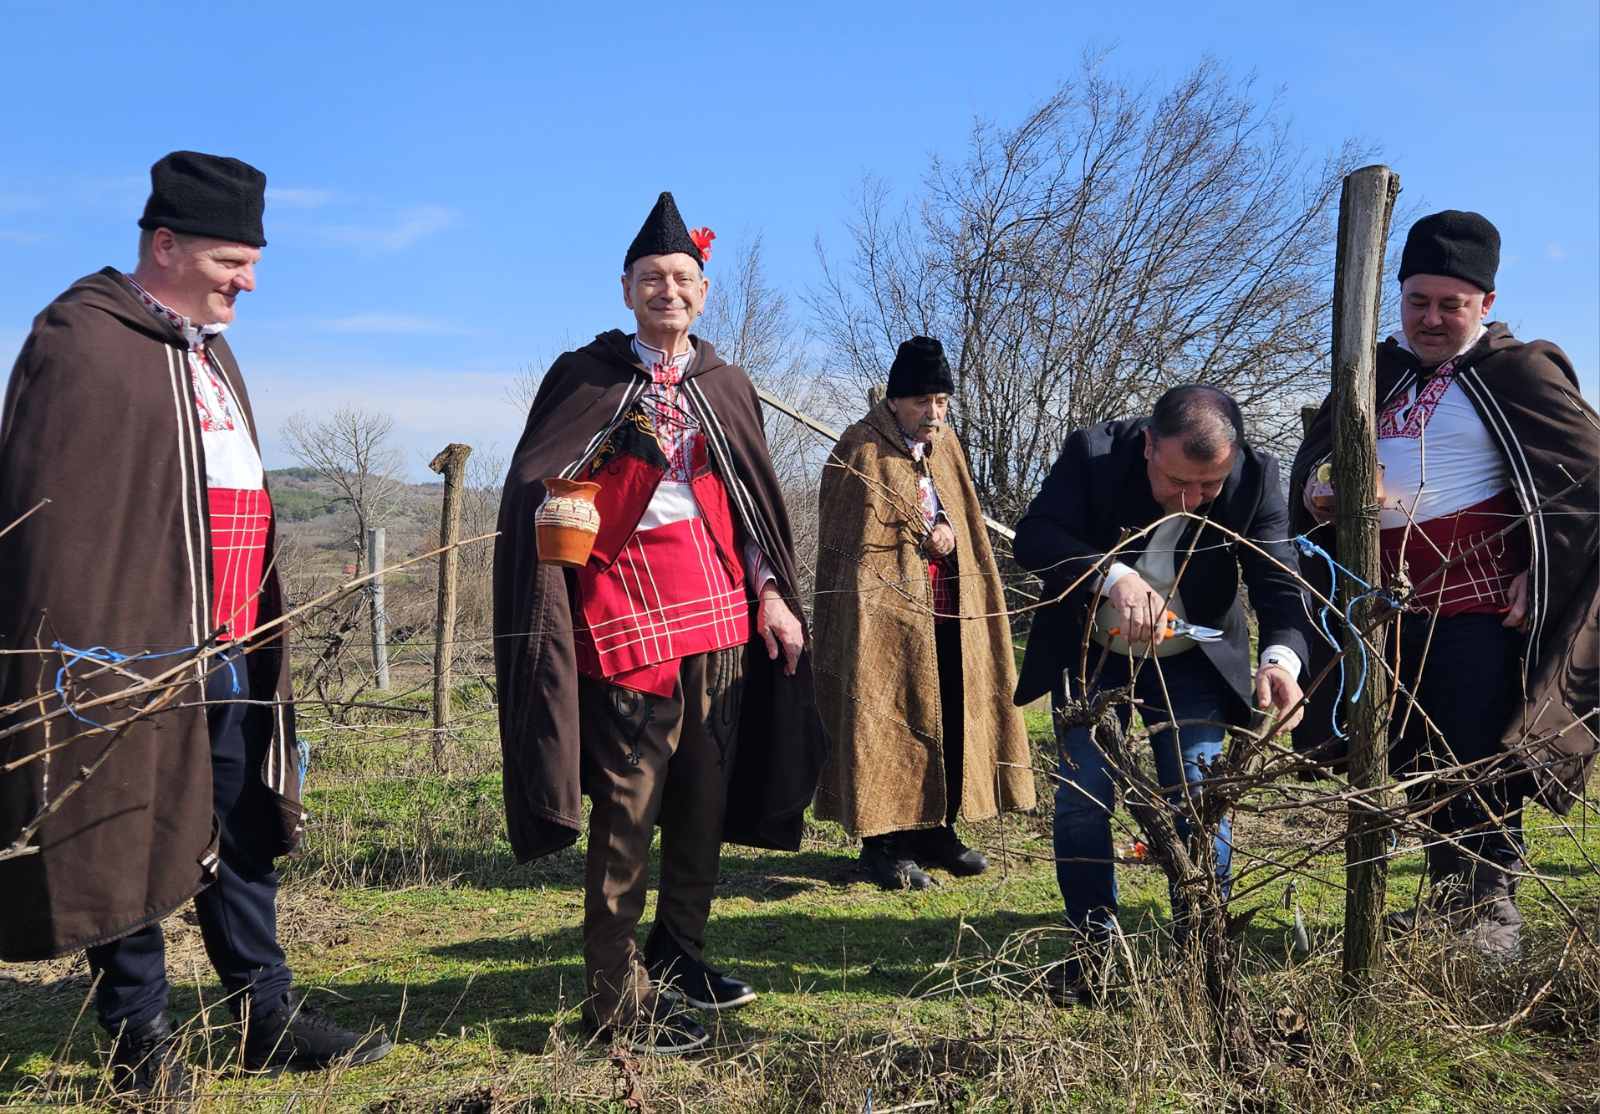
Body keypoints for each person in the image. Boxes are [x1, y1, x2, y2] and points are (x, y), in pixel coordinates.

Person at [0, 152, 392, 1102]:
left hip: (229, 645)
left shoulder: (209, 353)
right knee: (122, 823)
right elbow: (58, 516)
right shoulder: (83, 339)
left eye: (253, 262)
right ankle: (141, 1042)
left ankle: (265, 1013)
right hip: (126, 650)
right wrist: (103, 641)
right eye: (232, 261)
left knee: (240, 819)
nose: (248, 281)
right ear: (164, 245)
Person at [493, 192, 823, 1054]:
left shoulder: (727, 384)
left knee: (703, 801)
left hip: (719, 618)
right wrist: (613, 468)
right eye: (650, 280)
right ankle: (615, 997)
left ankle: (680, 954)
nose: (667, 291)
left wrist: (773, 595)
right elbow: (539, 490)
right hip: (624, 616)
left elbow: (750, 510)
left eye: (681, 279)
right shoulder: (588, 377)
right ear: (626, 290)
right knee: (628, 809)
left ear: (704, 292)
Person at [1290, 210, 1599, 959]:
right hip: (1385, 610)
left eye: (1450, 305)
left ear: (1484, 306)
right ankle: (1449, 899)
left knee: (1472, 759)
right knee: (1413, 755)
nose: (1431, 319)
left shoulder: (1520, 372)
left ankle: (1492, 917)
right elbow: (1318, 460)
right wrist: (1320, 490)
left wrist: (1540, 563)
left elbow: (1589, 485)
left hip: (1478, 606)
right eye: (1417, 301)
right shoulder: (1374, 373)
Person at [1012, 385, 1311, 1001]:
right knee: (1081, 799)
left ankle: (1201, 959)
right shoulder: (1093, 454)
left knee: (1201, 800)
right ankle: (1093, 954)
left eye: (1209, 487)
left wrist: (1283, 657)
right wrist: (1111, 574)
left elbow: (1280, 582)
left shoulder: (1257, 477)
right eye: (1178, 482)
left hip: (1193, 660)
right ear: (1148, 442)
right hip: (1092, 655)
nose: (1193, 500)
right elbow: (1035, 537)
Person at [812, 336, 1036, 889]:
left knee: (953, 712)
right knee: (886, 717)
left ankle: (939, 830)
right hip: (884, 619)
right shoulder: (861, 449)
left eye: (940, 402)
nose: (933, 414)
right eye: (922, 404)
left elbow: (966, 524)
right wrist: (909, 545)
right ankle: (884, 843)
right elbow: (848, 544)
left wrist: (951, 533)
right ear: (894, 402)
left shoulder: (946, 446)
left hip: (948, 611)